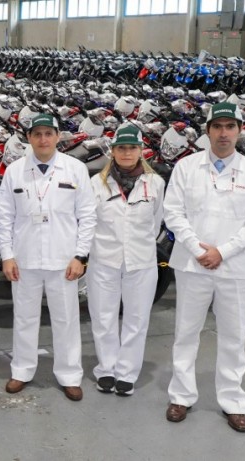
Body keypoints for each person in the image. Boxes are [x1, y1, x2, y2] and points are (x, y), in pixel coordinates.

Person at [163, 102, 245, 432]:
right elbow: (173, 213)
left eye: (230, 127)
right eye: (217, 126)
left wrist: (222, 252)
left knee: (233, 336)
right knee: (185, 332)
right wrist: (199, 250)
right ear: (208, 131)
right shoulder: (186, 168)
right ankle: (181, 396)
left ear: (239, 131)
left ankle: (233, 402)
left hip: (233, 267)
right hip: (192, 265)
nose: (223, 133)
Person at [0, 113, 97, 402]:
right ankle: (22, 371)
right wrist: (7, 256)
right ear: (29, 137)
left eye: (48, 134)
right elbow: (4, 217)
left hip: (64, 260)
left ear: (57, 136)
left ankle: (69, 375)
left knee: (66, 319)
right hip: (24, 259)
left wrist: (81, 256)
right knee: (24, 318)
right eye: (37, 134)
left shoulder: (75, 169)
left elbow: (87, 215)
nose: (43, 139)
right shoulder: (14, 171)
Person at [87, 124, 165, 397]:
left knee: (137, 318)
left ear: (141, 150)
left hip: (141, 261)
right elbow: (88, 221)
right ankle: (106, 369)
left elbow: (156, 224)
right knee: (103, 317)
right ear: (113, 151)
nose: (127, 152)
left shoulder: (155, 183)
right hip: (103, 260)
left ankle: (127, 373)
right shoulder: (97, 183)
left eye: (132, 147)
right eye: (122, 147)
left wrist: (135, 245)